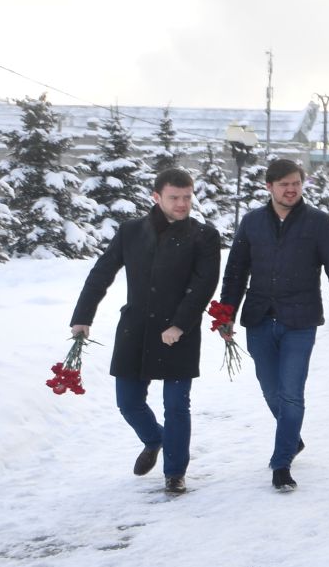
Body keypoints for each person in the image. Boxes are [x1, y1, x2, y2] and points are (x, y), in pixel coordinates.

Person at [69, 167, 223, 495]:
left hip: (179, 332)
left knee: (176, 405)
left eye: (187, 197)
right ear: (156, 197)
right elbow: (101, 273)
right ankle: (155, 439)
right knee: (128, 402)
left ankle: (175, 473)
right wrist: (82, 316)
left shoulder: (203, 236)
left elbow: (203, 285)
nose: (182, 204)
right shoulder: (131, 232)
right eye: (174, 198)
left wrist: (179, 324)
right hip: (135, 329)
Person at [216, 158, 329, 493]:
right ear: (269, 187)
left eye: (296, 183)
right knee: (270, 389)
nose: (291, 189)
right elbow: (235, 272)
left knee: (292, 392)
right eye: (284, 185)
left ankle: (281, 463)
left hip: (300, 320)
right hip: (260, 318)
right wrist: (225, 316)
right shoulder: (251, 223)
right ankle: (292, 437)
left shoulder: (318, 223)